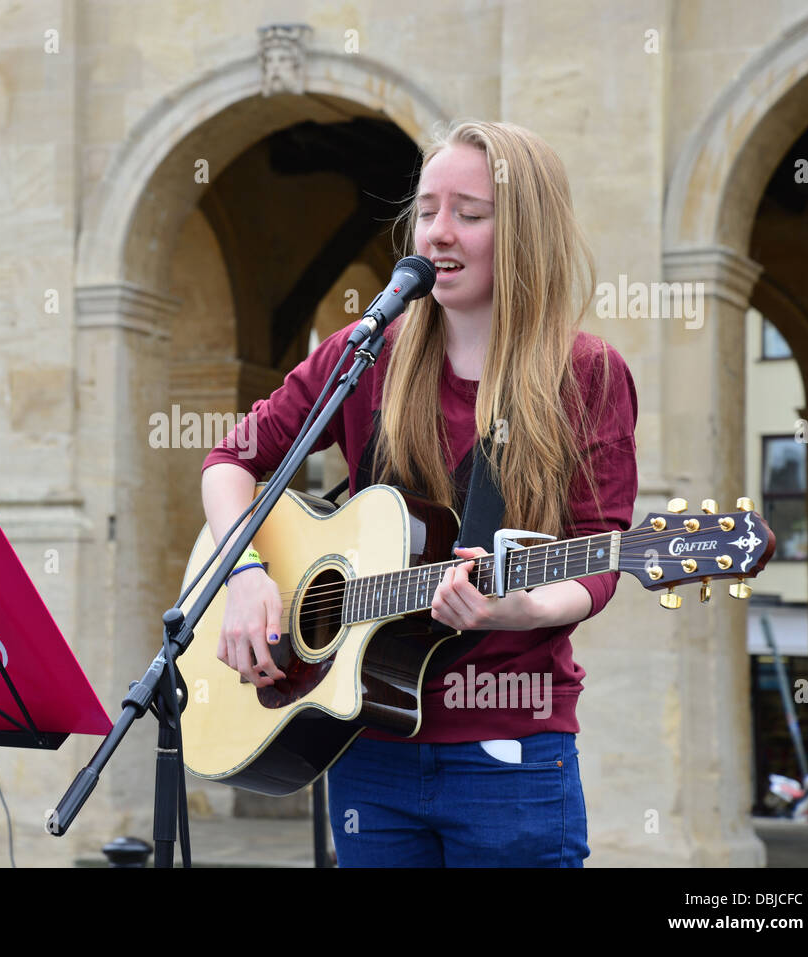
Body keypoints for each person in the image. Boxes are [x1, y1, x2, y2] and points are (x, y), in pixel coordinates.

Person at [200, 120, 639, 867]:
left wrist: (520, 605)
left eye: (469, 213)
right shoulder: (364, 353)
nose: (439, 233)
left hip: (510, 748)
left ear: (526, 231)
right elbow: (229, 460)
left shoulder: (587, 373)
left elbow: (598, 558)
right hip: (368, 739)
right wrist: (242, 575)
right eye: (428, 209)